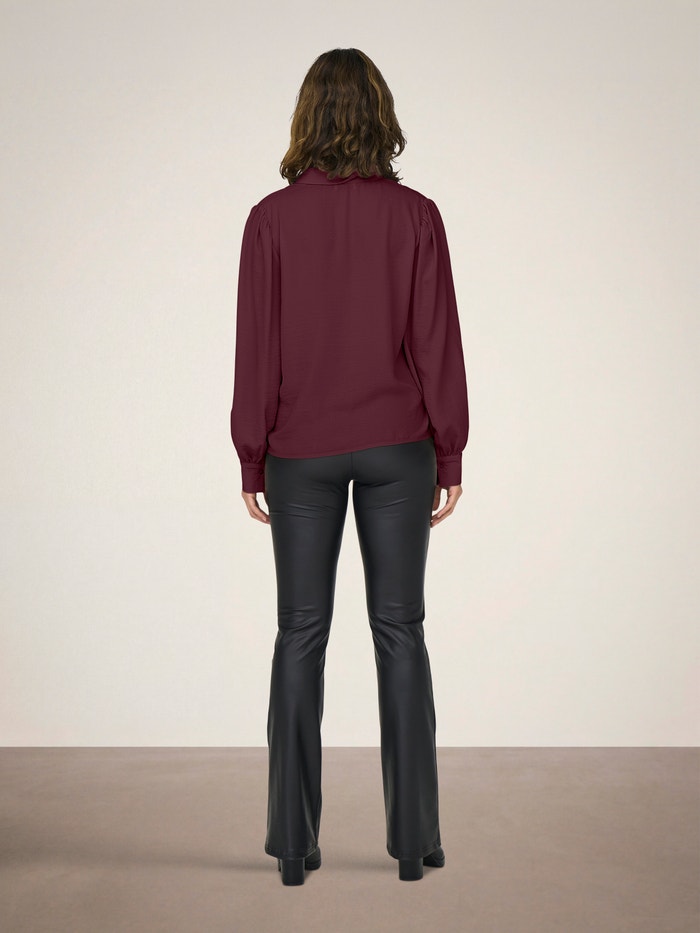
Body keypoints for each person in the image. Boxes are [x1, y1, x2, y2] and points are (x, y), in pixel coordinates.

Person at [229, 47, 469, 885]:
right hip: (399, 447)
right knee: (400, 631)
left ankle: (294, 846)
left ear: (308, 118)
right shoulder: (416, 216)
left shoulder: (270, 220)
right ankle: (414, 843)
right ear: (380, 116)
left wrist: (252, 455)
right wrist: (449, 447)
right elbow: (436, 340)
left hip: (300, 451)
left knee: (301, 633)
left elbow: (256, 347)